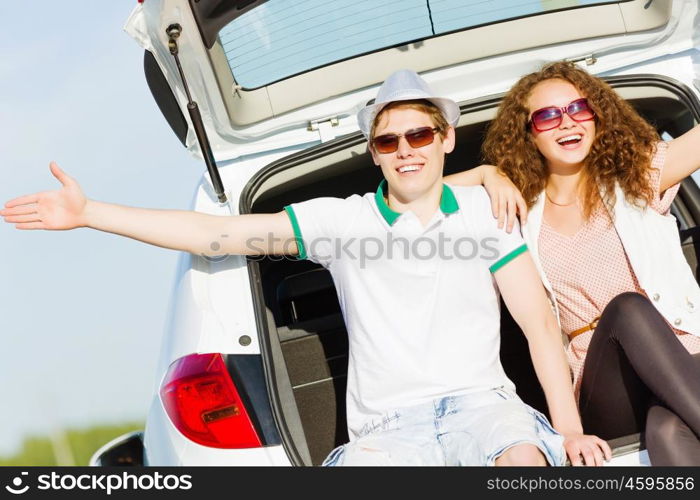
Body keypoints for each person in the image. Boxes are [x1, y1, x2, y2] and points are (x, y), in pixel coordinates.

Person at [1, 69, 609, 466]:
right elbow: (217, 234)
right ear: (373, 152)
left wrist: (570, 429)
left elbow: (537, 325)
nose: (406, 150)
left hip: (485, 406)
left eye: (420, 135)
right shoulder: (339, 222)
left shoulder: (483, 207)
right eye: (388, 141)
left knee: (526, 464)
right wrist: (89, 213)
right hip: (387, 433)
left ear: (447, 139)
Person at [446, 61, 700, 465]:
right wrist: (485, 174)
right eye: (548, 116)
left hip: (685, 355)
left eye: (579, 109)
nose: (567, 123)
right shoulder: (516, 213)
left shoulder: (638, 176)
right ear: (528, 133)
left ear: (597, 117)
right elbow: (409, 199)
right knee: (628, 309)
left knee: (667, 431)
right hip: (607, 384)